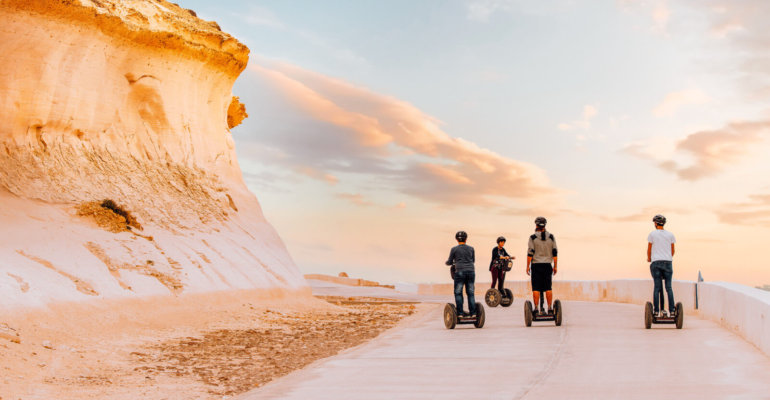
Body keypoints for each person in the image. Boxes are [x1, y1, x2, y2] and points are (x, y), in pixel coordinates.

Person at [526, 217, 558, 315]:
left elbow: (530, 253)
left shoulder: (532, 238)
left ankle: (536, 309)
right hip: (548, 265)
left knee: (536, 288)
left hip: (536, 265)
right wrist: (555, 266)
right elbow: (555, 253)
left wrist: (527, 266)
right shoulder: (551, 237)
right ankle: (549, 308)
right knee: (548, 287)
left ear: (536, 225)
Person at [647, 214, 676, 317]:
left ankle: (656, 311)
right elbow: (673, 250)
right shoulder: (670, 235)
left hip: (656, 263)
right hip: (668, 262)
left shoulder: (652, 234)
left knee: (657, 287)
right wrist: (667, 257)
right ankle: (672, 310)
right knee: (668, 287)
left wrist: (649, 258)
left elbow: (649, 249)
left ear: (655, 223)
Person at [446, 231, 477, 316]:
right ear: (466, 239)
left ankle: (460, 313)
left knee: (458, 292)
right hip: (471, 271)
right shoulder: (471, 248)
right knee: (470, 293)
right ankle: (473, 313)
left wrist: (447, 263)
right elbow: (473, 260)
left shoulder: (454, 249)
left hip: (459, 272)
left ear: (456, 239)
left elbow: (449, 261)